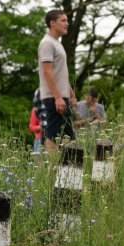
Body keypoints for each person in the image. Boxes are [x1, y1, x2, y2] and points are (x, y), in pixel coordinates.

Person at [38, 9, 76, 150]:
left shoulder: (57, 43)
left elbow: (60, 73)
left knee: (68, 136)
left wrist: (70, 93)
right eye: (63, 20)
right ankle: (51, 168)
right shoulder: (47, 43)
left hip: (61, 96)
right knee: (53, 134)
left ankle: (66, 168)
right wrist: (58, 97)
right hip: (54, 97)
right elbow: (47, 72)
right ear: (52, 23)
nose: (67, 23)